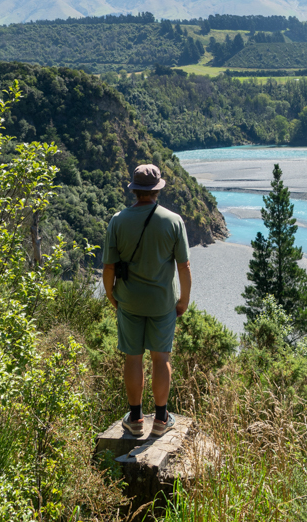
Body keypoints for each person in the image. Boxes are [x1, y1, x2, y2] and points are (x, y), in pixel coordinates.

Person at [103, 163, 191, 438]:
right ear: (157, 190)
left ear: (134, 190)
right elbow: (184, 266)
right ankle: (162, 419)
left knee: (133, 357)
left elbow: (109, 268)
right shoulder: (173, 221)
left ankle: (136, 418)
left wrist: (111, 296)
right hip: (162, 303)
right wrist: (183, 301)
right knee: (160, 356)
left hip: (128, 301)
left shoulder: (118, 220)